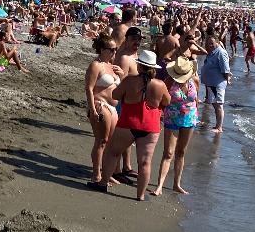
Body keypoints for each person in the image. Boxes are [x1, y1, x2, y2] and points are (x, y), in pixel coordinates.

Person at [91, 50, 170, 201]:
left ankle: (103, 183)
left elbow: (115, 95)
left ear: (139, 66)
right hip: (150, 126)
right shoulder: (160, 84)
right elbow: (167, 101)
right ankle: (140, 195)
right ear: (153, 68)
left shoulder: (129, 81)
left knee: (113, 153)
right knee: (145, 162)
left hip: (129, 121)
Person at [152, 56, 199, 196]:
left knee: (181, 152)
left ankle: (176, 184)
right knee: (168, 153)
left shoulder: (195, 80)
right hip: (172, 118)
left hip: (189, 118)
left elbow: (197, 99)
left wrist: (196, 114)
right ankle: (159, 185)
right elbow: (161, 99)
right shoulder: (169, 81)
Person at [84, 36, 121, 184]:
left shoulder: (111, 65)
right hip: (100, 104)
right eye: (111, 49)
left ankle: (106, 173)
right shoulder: (96, 65)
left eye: (115, 49)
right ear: (102, 49)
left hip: (113, 107)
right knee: (101, 140)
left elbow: (119, 87)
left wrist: (122, 75)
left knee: (110, 142)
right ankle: (96, 174)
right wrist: (92, 108)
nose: (114, 52)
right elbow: (89, 88)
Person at [199, 35, 232, 133]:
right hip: (211, 82)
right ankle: (217, 125)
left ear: (217, 42)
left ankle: (219, 127)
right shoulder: (212, 52)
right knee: (214, 104)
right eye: (208, 43)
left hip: (217, 83)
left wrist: (227, 79)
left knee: (218, 105)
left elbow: (225, 69)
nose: (209, 45)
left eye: (212, 43)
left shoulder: (221, 52)